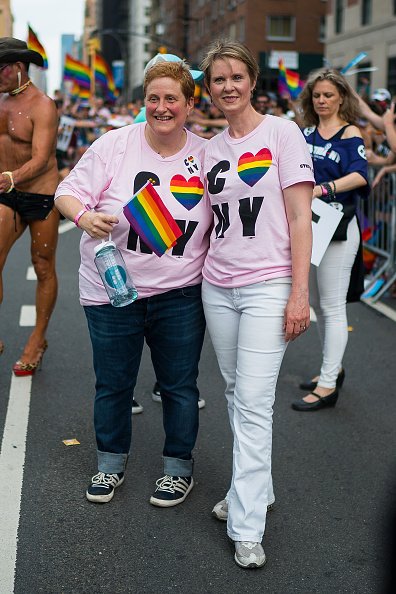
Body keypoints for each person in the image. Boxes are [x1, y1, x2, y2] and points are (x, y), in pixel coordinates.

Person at [55, 56, 212, 507]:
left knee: (180, 386)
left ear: (188, 103)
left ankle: (178, 469)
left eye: (171, 99)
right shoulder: (113, 145)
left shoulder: (207, 154)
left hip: (180, 293)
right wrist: (85, 217)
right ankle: (109, 465)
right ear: (144, 102)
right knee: (114, 383)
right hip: (112, 291)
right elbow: (66, 192)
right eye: (153, 99)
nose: (162, 107)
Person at [200, 40, 314, 569]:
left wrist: (299, 293)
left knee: (252, 402)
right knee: (234, 392)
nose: (227, 86)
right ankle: (254, 489)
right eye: (217, 80)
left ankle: (247, 525)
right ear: (209, 89)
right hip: (217, 285)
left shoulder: (282, 133)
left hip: (269, 285)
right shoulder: (209, 150)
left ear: (252, 81)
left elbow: (298, 218)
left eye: (235, 77)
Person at [292, 68, 369, 411]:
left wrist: (324, 188)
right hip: (311, 227)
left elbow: (360, 175)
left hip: (339, 226)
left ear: (341, 97)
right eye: (317, 95)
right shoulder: (304, 133)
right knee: (322, 305)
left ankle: (327, 385)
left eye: (328, 95)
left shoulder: (350, 132)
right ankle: (331, 370)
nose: (321, 101)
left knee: (333, 305)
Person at [0, 37, 59, 370]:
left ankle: (38, 338)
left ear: (18, 67)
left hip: (39, 193)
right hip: (5, 191)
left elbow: (40, 158)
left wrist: (11, 177)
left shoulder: (43, 105)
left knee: (43, 265)